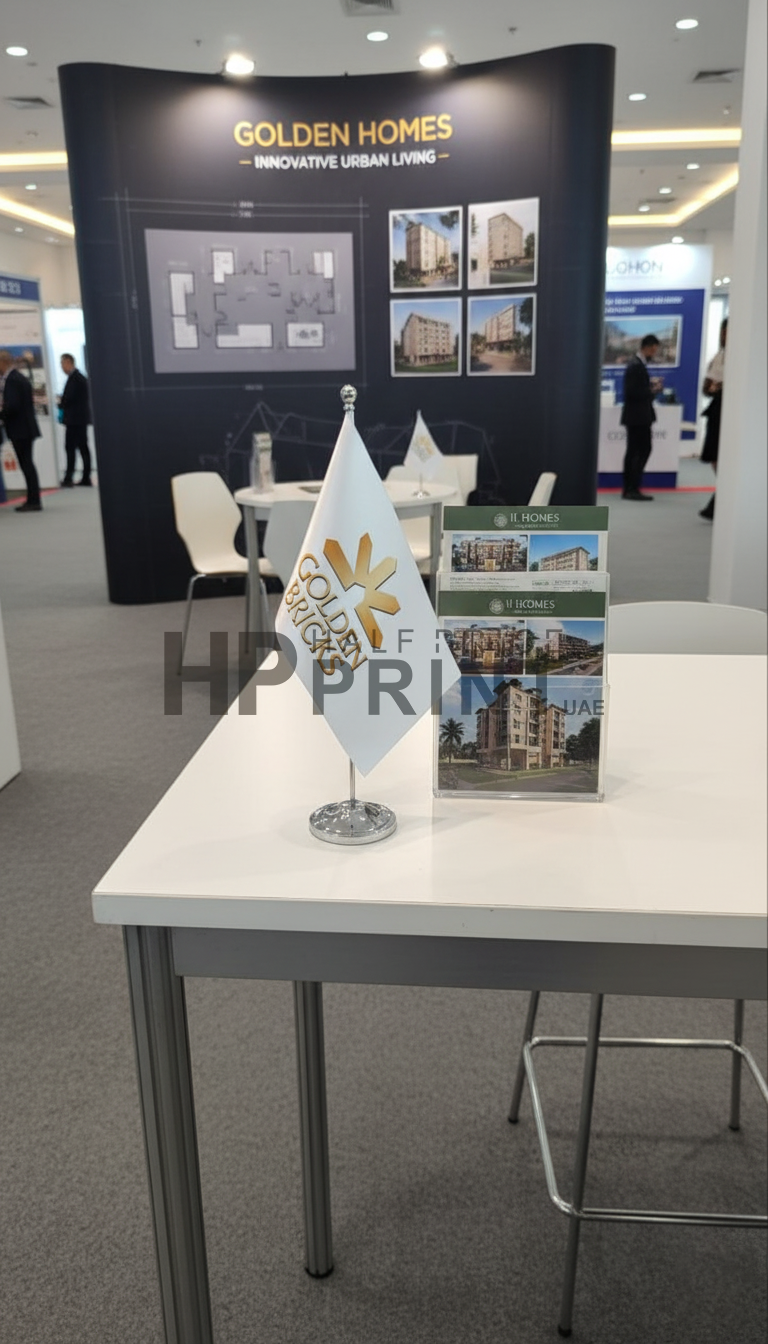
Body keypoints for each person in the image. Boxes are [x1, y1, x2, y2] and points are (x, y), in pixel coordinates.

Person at [620, 333, 664, 501]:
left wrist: (649, 389)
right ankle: (631, 488)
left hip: (637, 416)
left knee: (635, 451)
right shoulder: (636, 366)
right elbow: (631, 392)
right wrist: (651, 390)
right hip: (638, 417)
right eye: (653, 350)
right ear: (647, 348)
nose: (654, 353)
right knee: (640, 451)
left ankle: (631, 487)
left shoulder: (637, 365)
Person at [0, 348, 42, 512]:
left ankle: (34, 500)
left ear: (3, 362)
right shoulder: (18, 378)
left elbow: (13, 406)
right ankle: (33, 499)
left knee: (27, 465)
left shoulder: (12, 379)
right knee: (28, 465)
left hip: (20, 429)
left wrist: (1, 414)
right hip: (25, 428)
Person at [698, 317, 727, 521]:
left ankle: (719, 501)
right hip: (716, 410)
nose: (725, 335)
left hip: (729, 411)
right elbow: (707, 387)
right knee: (715, 458)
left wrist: (720, 387)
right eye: (723, 331)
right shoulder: (719, 356)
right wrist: (714, 388)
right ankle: (721, 497)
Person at [58, 353, 92, 487]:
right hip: (77, 420)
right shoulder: (77, 378)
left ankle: (71, 477)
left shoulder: (76, 379)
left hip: (76, 421)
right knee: (80, 448)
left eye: (62, 363)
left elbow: (69, 399)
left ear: (68, 362)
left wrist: (61, 402)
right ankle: (82, 476)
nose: (61, 367)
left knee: (73, 448)